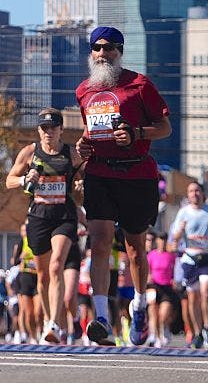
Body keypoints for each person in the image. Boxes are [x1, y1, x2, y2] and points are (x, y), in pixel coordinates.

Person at [75, 26, 172, 346]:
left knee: (134, 248)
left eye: (110, 48)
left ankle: (140, 303)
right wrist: (83, 145)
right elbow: (89, 132)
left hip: (137, 175)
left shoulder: (139, 85)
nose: (103, 53)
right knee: (99, 242)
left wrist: (136, 134)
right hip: (100, 174)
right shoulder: (84, 91)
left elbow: (165, 127)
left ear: (120, 52)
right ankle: (101, 317)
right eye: (97, 48)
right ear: (91, 52)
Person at [5, 107, 83, 344]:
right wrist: (23, 179)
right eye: (44, 128)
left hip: (64, 216)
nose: (49, 132)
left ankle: (54, 324)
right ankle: (51, 322)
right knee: (42, 276)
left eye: (53, 128)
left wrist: (80, 186)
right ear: (39, 131)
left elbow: (81, 180)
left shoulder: (72, 154)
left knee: (56, 265)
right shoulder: (29, 152)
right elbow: (8, 180)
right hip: (38, 217)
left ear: (61, 130)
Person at [168, 181, 208, 349]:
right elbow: (175, 238)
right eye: (191, 191)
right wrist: (180, 231)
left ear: (203, 193)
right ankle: (197, 332)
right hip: (189, 258)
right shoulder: (183, 212)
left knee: (206, 292)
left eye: (197, 191)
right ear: (188, 195)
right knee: (192, 297)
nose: (194, 194)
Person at [146, 231, 176, 347]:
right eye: (160, 239)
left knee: (163, 315)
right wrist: (148, 277)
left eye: (164, 239)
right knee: (153, 311)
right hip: (154, 286)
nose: (162, 242)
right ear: (157, 241)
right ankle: (156, 336)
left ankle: (165, 327)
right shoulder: (151, 255)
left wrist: (174, 280)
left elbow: (175, 271)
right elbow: (147, 270)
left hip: (167, 287)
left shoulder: (170, 256)